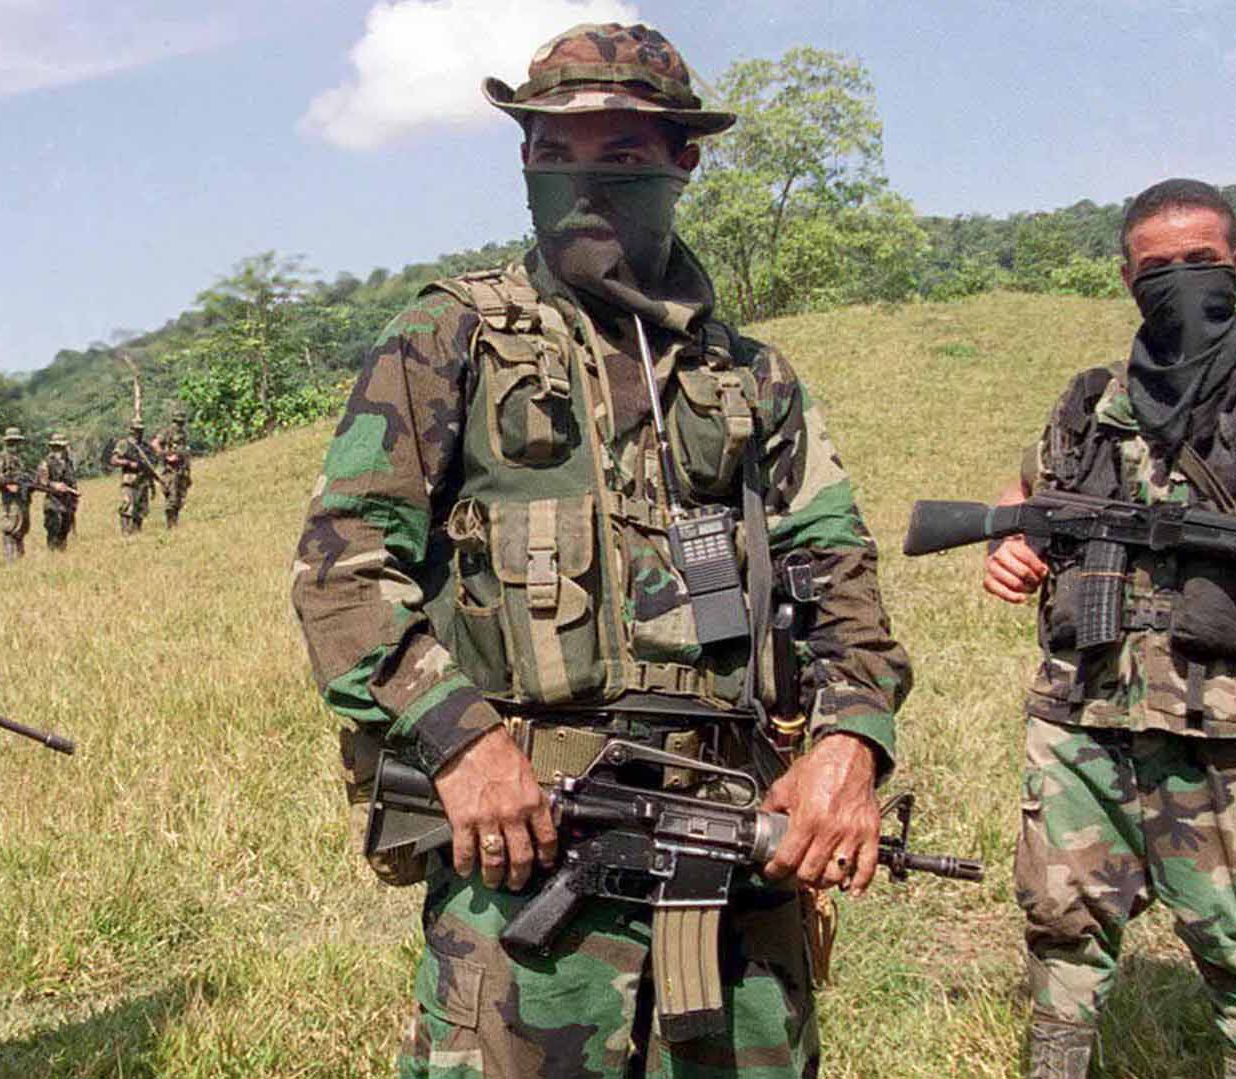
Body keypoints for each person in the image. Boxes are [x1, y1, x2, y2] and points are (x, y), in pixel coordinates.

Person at [290, 24, 911, 1077]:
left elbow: (843, 579)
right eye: (551, 151)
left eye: (619, 156)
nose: (580, 182)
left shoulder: (757, 381)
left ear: (684, 161)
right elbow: (341, 566)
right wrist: (461, 742)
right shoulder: (448, 341)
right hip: (524, 851)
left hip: (733, 863)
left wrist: (849, 747)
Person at [981, 179, 1236, 1079]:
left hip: (1226, 724)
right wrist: (1008, 551)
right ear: (1128, 278)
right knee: (1061, 921)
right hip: (1081, 713)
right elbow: (1023, 501)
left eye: (1200, 264)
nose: (1179, 282)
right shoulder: (1093, 398)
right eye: (1156, 269)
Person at [0, 427, 32, 562]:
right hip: (10, 502)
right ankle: (10, 561)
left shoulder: (19, 458)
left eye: (17, 442)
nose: (15, 445)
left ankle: (20, 559)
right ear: (6, 442)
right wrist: (7, 485)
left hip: (22, 500)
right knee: (10, 529)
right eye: (12, 442)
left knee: (21, 529)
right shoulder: (1, 457)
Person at [35, 433, 80, 551]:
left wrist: (74, 497)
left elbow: (72, 481)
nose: (60, 450)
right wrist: (54, 485)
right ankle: (52, 554)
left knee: (64, 530)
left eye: (62, 447)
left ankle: (61, 555)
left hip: (67, 502)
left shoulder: (68, 462)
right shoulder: (46, 463)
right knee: (53, 528)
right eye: (57, 447)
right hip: (53, 501)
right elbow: (40, 483)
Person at [109, 421, 155, 535]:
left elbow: (149, 467)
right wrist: (128, 463)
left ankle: (137, 533)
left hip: (143, 480)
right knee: (127, 506)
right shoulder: (124, 444)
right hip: (130, 479)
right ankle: (125, 533)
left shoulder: (145, 446)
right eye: (136, 430)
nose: (139, 433)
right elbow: (114, 460)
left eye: (140, 430)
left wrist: (152, 484)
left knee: (140, 510)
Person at [156, 408, 193, 529]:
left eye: (181, 422)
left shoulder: (183, 434)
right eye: (177, 422)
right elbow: (155, 444)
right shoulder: (167, 432)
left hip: (181, 470)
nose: (179, 424)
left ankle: (175, 524)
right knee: (171, 499)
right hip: (170, 471)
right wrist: (167, 456)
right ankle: (170, 525)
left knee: (179, 499)